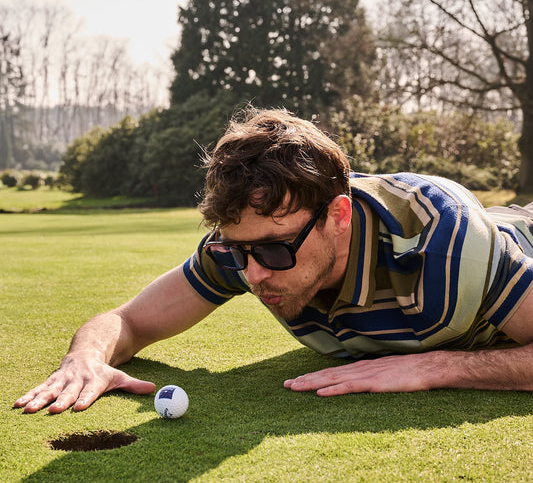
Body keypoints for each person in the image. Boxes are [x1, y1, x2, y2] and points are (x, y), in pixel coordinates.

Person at [14, 107, 533, 414]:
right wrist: (87, 358)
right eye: (240, 250)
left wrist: (439, 366)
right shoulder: (241, 253)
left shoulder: (445, 245)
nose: (255, 274)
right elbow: (125, 321)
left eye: (273, 248)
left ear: (338, 216)